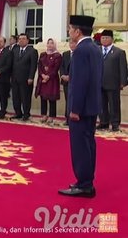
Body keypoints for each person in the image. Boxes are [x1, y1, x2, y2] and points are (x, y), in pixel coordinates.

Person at [59, 15, 102, 198]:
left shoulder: (81, 50)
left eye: (70, 29)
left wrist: (74, 109)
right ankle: (86, 181)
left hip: (81, 109)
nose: (69, 32)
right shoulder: (94, 47)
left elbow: (80, 83)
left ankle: (84, 185)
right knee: (88, 144)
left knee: (80, 147)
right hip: (91, 106)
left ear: (77, 31)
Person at [98, 29, 127, 132]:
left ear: (112, 39)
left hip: (113, 83)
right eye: (102, 38)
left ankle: (115, 123)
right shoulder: (97, 51)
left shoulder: (119, 52)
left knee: (114, 104)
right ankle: (103, 122)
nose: (104, 40)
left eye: (106, 38)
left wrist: (123, 82)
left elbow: (123, 68)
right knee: (101, 104)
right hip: (99, 83)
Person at [11, 33, 38, 121]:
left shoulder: (32, 51)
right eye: (19, 39)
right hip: (15, 78)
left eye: (23, 39)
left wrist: (31, 77)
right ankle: (18, 113)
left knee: (25, 97)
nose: (21, 40)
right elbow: (11, 64)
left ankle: (26, 113)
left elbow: (33, 66)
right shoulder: (15, 50)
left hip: (26, 78)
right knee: (16, 97)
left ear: (27, 40)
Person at [35, 38, 62, 124]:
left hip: (52, 80)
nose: (50, 45)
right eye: (48, 43)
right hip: (42, 79)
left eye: (52, 43)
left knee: (51, 98)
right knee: (43, 97)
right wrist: (42, 75)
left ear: (54, 45)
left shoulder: (58, 55)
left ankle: (51, 116)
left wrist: (48, 76)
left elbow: (56, 68)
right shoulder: (42, 55)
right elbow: (39, 67)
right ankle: (44, 115)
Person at [60, 40, 77, 124]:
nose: (72, 45)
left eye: (74, 43)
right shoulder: (65, 54)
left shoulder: (79, 54)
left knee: (75, 100)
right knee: (68, 100)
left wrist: (71, 77)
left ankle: (74, 117)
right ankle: (67, 118)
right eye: (71, 43)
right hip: (66, 81)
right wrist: (63, 75)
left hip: (76, 81)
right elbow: (62, 66)